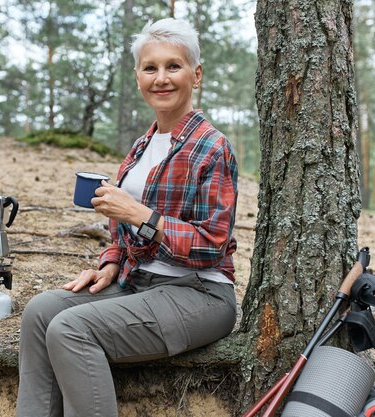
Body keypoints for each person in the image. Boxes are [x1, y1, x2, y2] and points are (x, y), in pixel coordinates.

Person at [16, 18, 238, 417]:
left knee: (71, 330)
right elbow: (124, 228)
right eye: (150, 68)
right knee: (41, 312)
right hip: (139, 282)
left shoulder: (212, 147)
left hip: (199, 293)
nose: (161, 78)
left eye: (174, 66)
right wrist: (112, 260)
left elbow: (211, 246)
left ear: (196, 74)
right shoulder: (141, 146)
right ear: (138, 77)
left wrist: (140, 214)